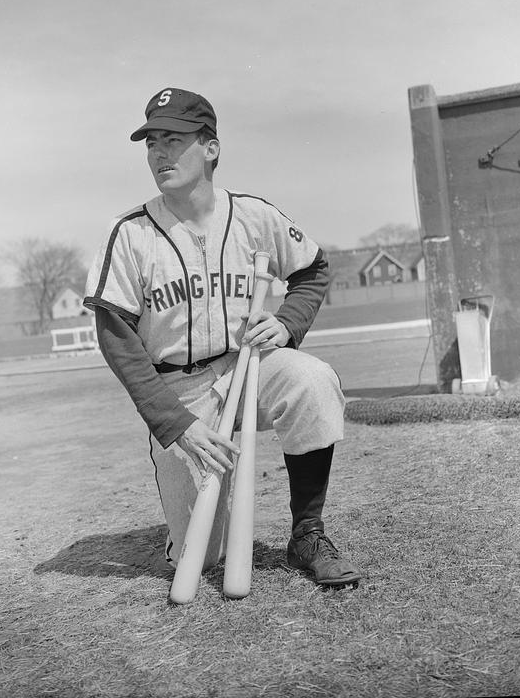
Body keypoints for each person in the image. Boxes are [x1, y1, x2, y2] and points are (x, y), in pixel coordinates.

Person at [83, 87, 361, 588]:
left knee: (312, 380)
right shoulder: (130, 233)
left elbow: (313, 269)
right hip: (180, 392)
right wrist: (175, 423)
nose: (159, 152)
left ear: (210, 147)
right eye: (151, 143)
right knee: (205, 557)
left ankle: (308, 531)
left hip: (250, 369)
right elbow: (114, 331)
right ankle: (193, 524)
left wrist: (288, 321)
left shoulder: (254, 216)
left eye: (173, 139)